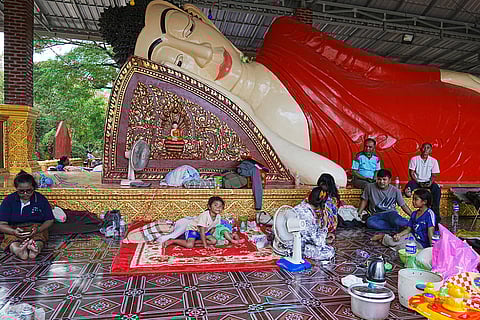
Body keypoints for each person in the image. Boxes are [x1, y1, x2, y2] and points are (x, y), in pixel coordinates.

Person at [134, 1, 480, 185]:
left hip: (429, 104)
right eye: (180, 64)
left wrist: (446, 75)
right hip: (421, 161)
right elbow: (336, 178)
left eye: (189, 30)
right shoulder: (256, 131)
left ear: (201, 18)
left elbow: (375, 68)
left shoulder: (285, 36)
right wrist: (243, 115)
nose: (206, 56)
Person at [0, 171, 54, 260]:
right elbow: (1, 224)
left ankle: (35, 248)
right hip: (15, 228)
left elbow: (50, 220)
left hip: (35, 228)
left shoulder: (40, 199)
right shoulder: (9, 200)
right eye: (21, 191)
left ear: (34, 188)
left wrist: (38, 229)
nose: (25, 194)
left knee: (40, 238)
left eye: (29, 191)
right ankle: (18, 250)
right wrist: (13, 231)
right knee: (11, 239)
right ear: (16, 188)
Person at [273, 187, 335, 261]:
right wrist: (324, 225)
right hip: (292, 246)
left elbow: (309, 233)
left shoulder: (301, 207)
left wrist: (324, 236)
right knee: (329, 251)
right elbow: (318, 242)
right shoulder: (307, 215)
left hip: (282, 242)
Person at [404, 143, 441, 221]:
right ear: (421, 149)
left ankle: (436, 213)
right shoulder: (414, 159)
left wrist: (430, 182)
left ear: (430, 150)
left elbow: (434, 175)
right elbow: (412, 173)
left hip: (428, 181)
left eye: (428, 148)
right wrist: (417, 181)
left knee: (436, 189)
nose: (425, 150)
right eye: (424, 148)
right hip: (416, 181)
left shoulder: (433, 161)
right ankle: (408, 195)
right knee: (409, 186)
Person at [316, 173, 340, 241]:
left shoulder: (333, 197)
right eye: (321, 184)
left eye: (324, 184)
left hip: (328, 221)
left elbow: (334, 212)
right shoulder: (317, 192)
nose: (322, 186)